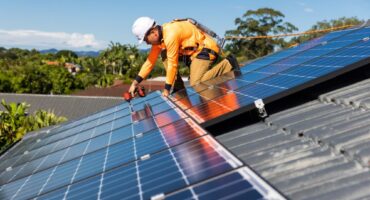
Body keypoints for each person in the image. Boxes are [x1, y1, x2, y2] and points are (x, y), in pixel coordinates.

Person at [129, 16, 239, 97]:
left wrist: (166, 89)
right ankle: (178, 88)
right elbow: (149, 62)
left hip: (205, 49)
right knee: (164, 54)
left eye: (145, 39)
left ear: (154, 33)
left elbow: (173, 64)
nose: (146, 43)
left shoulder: (171, 34)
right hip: (192, 54)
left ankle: (228, 64)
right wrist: (135, 83)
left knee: (196, 83)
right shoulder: (159, 41)